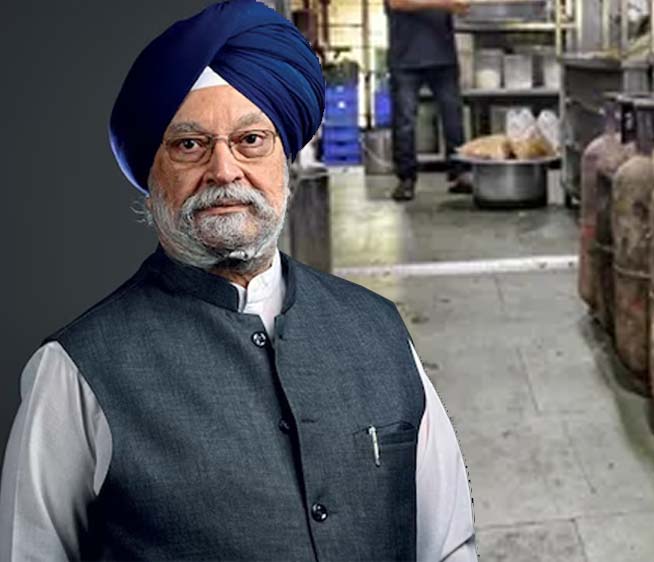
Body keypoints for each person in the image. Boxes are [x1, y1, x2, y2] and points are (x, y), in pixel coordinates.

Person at [0, 2, 476, 561]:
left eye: (251, 140)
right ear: (151, 177)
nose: (225, 170)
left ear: (284, 163)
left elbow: (448, 545)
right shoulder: (77, 373)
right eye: (189, 145)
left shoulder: (379, 329)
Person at [385, 0, 474, 201]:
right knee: (405, 121)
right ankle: (406, 178)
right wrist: (445, 4)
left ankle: (460, 172)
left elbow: (461, 7)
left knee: (453, 118)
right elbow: (398, 3)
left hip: (443, 56)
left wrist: (461, 8)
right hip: (405, 59)